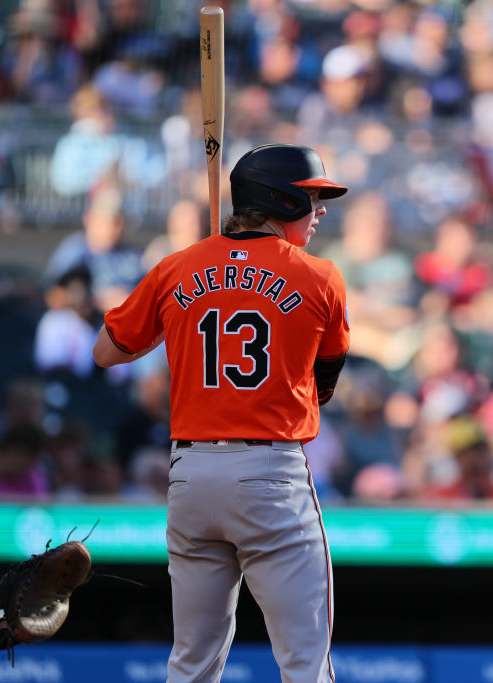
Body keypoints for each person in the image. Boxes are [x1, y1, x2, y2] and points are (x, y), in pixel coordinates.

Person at [93, 143, 349, 683]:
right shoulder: (320, 276)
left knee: (192, 662)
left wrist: (187, 302)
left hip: (190, 476)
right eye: (311, 199)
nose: (321, 210)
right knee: (305, 662)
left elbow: (106, 352)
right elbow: (322, 387)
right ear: (279, 200)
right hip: (271, 474)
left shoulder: (175, 267)